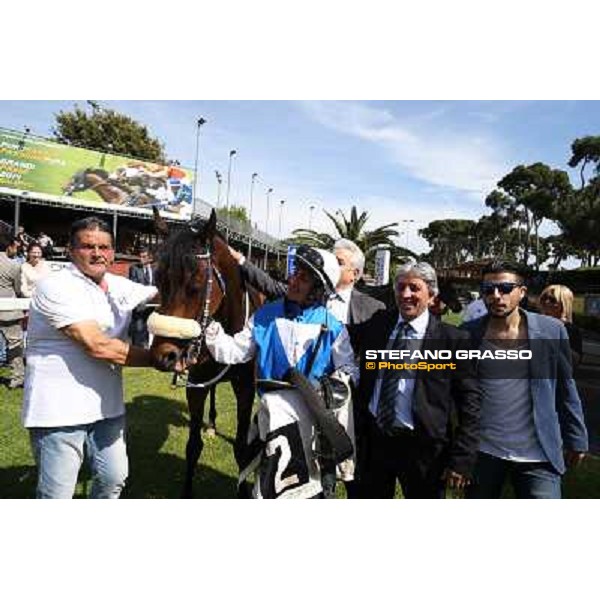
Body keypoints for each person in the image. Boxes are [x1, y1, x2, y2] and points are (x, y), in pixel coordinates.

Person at [21, 216, 181, 499]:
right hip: (59, 411)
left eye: (105, 247)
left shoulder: (118, 284)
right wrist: (159, 359)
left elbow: (165, 292)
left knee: (113, 479)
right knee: (57, 495)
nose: (97, 253)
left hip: (107, 408)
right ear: (71, 250)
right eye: (87, 246)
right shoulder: (55, 286)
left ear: (113, 251)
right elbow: (98, 345)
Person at [228, 239, 385, 497]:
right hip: (273, 419)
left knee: (312, 491)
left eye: (303, 278)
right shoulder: (266, 315)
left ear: (317, 290)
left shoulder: (332, 325)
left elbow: (349, 368)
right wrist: (206, 332)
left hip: (314, 425)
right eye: (295, 273)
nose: (293, 281)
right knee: (268, 487)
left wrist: (333, 385)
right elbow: (235, 351)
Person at [462, 262, 588, 499]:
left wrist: (577, 436)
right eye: (488, 289)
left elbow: (565, 387)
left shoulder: (551, 330)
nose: (496, 296)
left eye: (505, 288)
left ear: (522, 292)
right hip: (484, 450)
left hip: (538, 452)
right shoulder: (468, 334)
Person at [356, 260, 481, 499]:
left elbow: (470, 403)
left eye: (414, 288)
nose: (406, 295)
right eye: (401, 287)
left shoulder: (453, 340)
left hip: (424, 450)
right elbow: (340, 333)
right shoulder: (379, 325)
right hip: (375, 442)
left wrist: (463, 458)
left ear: (431, 295)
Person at [0, 236, 25, 388]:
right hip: (9, 309)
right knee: (14, 343)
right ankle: (17, 378)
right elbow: (17, 289)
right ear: (9, 247)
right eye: (16, 247)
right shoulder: (13, 266)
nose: (16, 251)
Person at [538, 284, 582, 366]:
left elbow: (575, 361)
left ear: (564, 304)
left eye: (552, 299)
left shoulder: (570, 329)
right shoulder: (533, 323)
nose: (546, 302)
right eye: (544, 298)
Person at [128, 247, 156, 348]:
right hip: (141, 305)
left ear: (150, 258)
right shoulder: (134, 269)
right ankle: (138, 350)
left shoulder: (155, 269)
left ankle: (150, 347)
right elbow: (134, 286)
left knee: (153, 328)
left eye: (144, 257)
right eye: (140, 257)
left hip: (154, 305)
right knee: (139, 329)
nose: (141, 259)